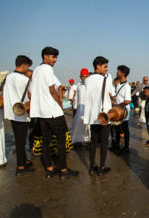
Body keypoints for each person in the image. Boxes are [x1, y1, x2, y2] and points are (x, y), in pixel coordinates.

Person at [30, 47, 79, 179]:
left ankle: (50, 169)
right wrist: (59, 103)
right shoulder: (47, 69)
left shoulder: (36, 70)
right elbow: (52, 89)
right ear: (45, 56)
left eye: (56, 57)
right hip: (51, 111)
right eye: (53, 57)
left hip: (41, 112)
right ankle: (63, 170)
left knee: (46, 140)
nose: (55, 60)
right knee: (61, 139)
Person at [3, 55, 35, 175]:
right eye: (27, 67)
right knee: (21, 141)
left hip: (12, 113)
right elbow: (34, 93)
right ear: (23, 66)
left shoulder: (8, 77)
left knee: (18, 139)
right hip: (22, 113)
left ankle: (24, 161)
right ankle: (20, 167)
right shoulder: (26, 80)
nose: (27, 69)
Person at [84, 56, 114, 176]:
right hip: (104, 115)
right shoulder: (106, 79)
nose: (107, 69)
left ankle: (92, 167)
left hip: (93, 115)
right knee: (104, 142)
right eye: (105, 66)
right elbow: (111, 94)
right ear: (98, 66)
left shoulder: (87, 80)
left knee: (93, 140)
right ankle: (102, 167)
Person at [113, 65, 132, 155]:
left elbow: (128, 100)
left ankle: (126, 148)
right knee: (116, 128)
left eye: (118, 71)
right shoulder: (118, 85)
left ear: (122, 73)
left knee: (125, 128)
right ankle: (117, 145)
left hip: (123, 111)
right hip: (118, 110)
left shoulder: (126, 87)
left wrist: (117, 105)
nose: (117, 73)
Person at [71, 68, 90, 146]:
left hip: (88, 108)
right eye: (83, 76)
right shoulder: (78, 84)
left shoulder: (90, 84)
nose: (84, 78)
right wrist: (75, 107)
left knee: (88, 126)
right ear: (80, 77)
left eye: (86, 76)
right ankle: (78, 140)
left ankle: (89, 141)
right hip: (79, 108)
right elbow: (77, 97)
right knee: (78, 124)